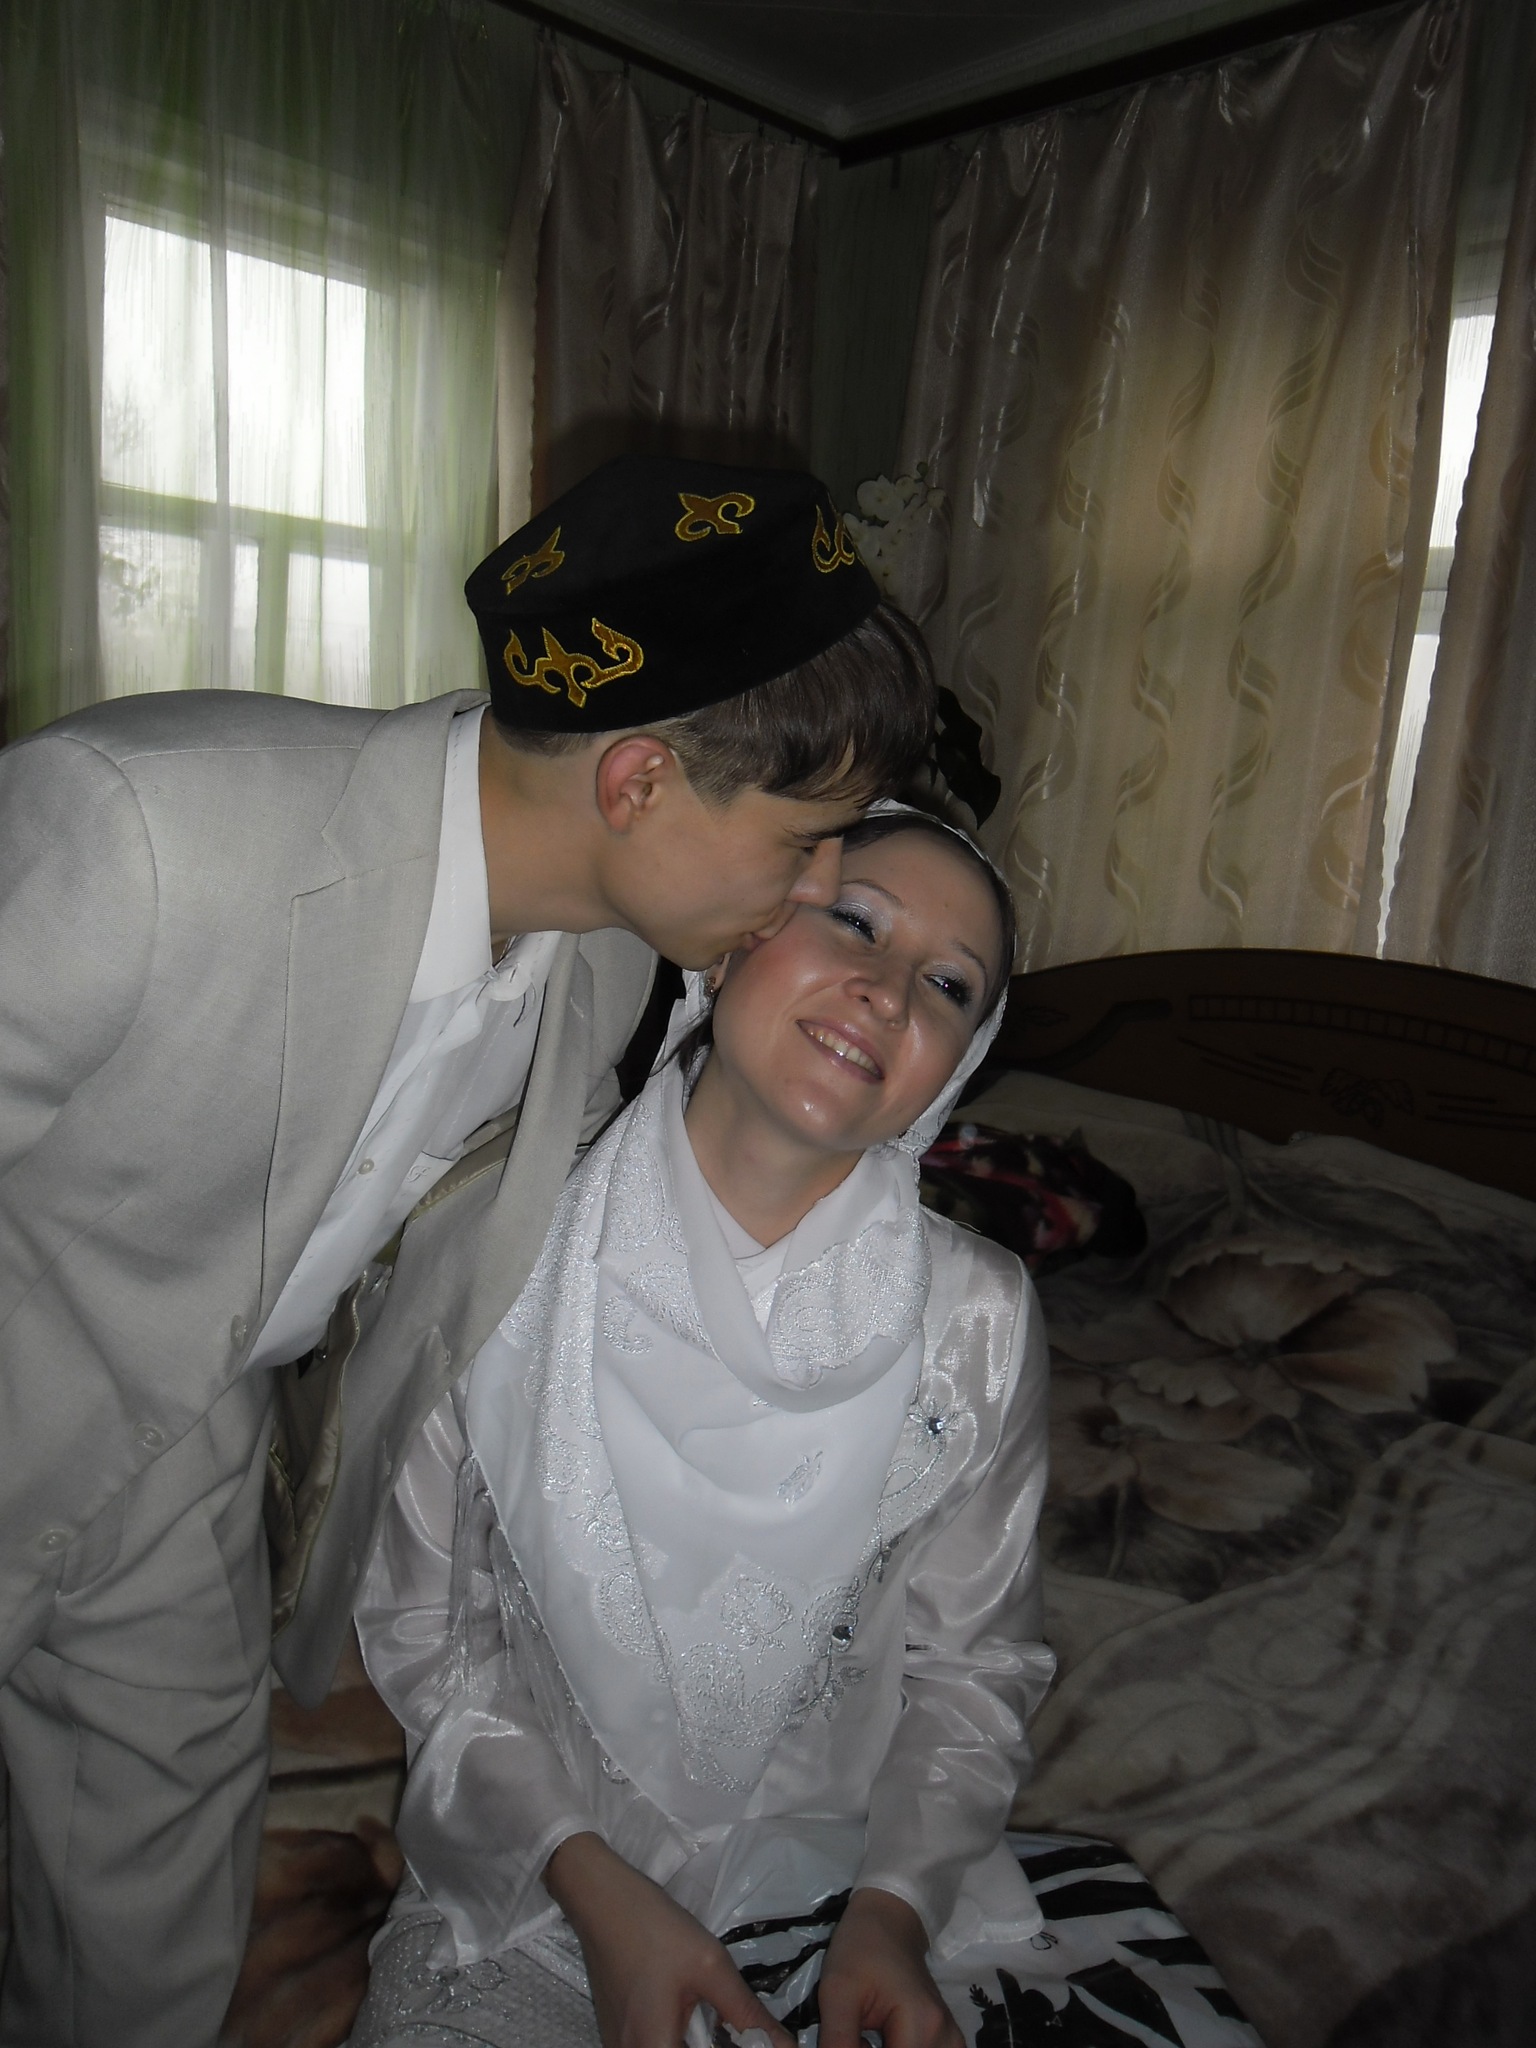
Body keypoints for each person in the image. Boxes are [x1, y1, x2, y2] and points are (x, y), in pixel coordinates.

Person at [0, 456, 934, 2047]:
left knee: (151, 1908)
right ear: (636, 783)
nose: (822, 893)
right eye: (807, 841)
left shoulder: (608, 978)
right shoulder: (142, 829)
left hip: (191, 1450)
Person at [347, 808, 1061, 2048]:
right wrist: (596, 1890)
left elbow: (973, 1672)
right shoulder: (502, 1248)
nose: (888, 991)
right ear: (734, 942)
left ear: (954, 1065)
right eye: (857, 921)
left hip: (847, 1902)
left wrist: (890, 1918)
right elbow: (427, 1632)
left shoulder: (977, 1320)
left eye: (948, 984)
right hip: (537, 1889)